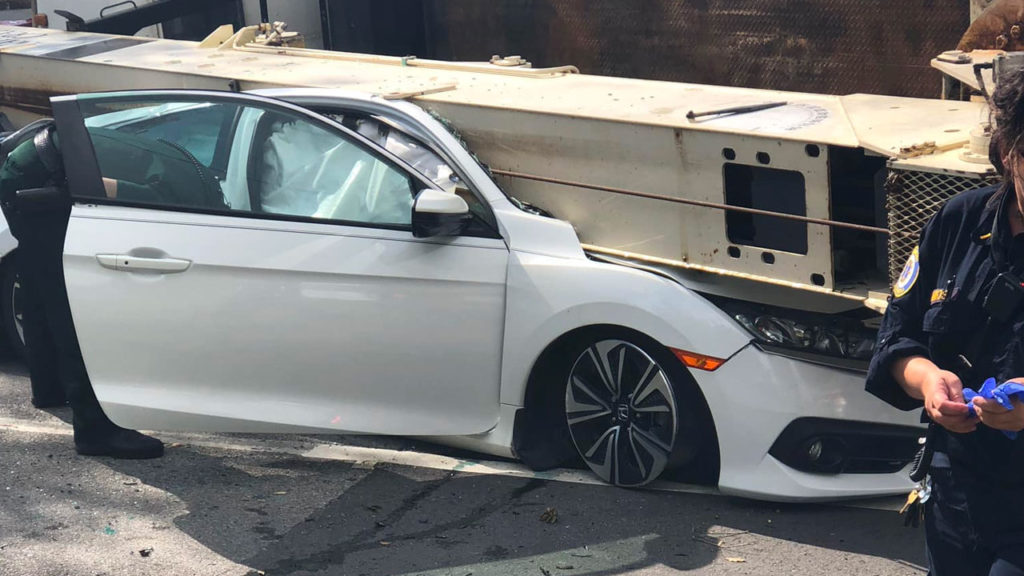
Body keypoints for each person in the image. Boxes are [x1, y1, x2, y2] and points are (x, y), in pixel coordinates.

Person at [866, 66, 1024, 575]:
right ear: (1008, 150)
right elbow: (898, 332)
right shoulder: (958, 220)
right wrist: (929, 382)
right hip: (956, 490)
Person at [0, 120, 163, 459]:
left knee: (39, 283)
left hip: (23, 168)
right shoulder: (160, 169)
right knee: (72, 308)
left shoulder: (148, 140)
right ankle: (96, 430)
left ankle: (49, 388)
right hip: (38, 182)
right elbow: (118, 190)